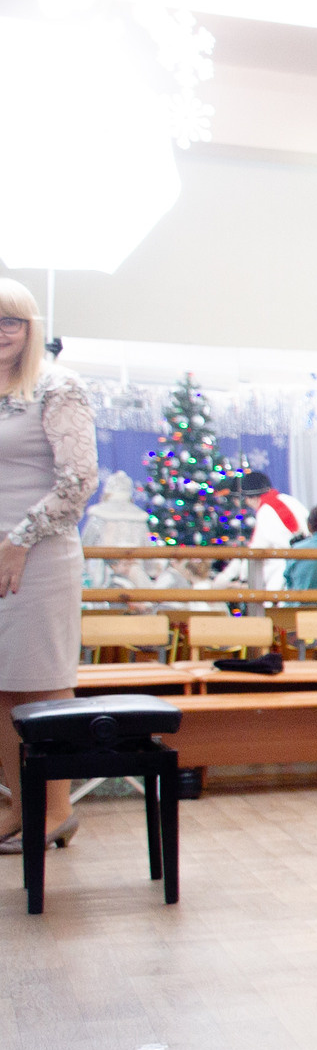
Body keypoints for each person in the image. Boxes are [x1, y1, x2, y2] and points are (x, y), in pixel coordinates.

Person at [0, 281, 96, 855]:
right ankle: (20, 808)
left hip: (38, 555)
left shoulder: (58, 386)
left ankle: (55, 810)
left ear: (31, 328)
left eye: (10, 321)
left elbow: (79, 480)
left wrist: (18, 540)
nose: (0, 333)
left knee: (39, 685)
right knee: (0, 688)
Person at [237, 470, 307, 592]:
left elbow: (257, 548)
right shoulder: (290, 500)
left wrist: (243, 577)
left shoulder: (265, 511)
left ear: (251, 498)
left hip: (285, 569)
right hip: (308, 562)